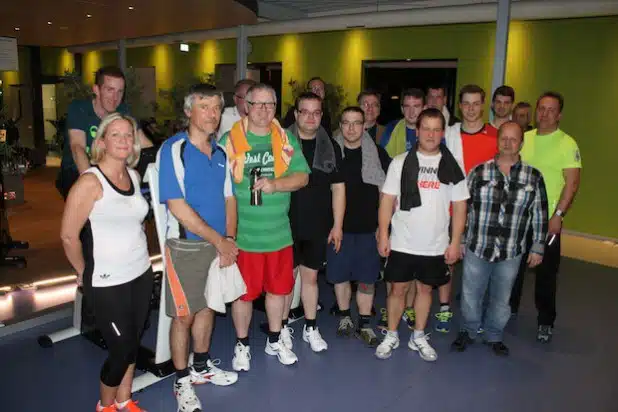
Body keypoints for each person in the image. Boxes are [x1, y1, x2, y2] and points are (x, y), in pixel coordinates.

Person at [60, 113, 153, 412]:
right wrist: (83, 272)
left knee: (133, 340)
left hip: (140, 273)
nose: (125, 140)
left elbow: (133, 222)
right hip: (106, 280)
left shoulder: (134, 176)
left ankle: (125, 400)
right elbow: (68, 237)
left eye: (129, 135)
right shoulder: (90, 182)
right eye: (116, 135)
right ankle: (105, 405)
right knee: (121, 348)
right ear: (101, 141)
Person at [158, 84, 239, 412]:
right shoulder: (173, 149)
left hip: (219, 246)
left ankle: (202, 367)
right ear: (189, 111)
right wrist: (218, 240)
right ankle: (181, 381)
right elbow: (177, 206)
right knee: (184, 316)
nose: (212, 114)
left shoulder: (220, 153)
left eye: (217, 107)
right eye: (204, 107)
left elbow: (229, 198)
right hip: (186, 248)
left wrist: (229, 239)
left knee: (208, 309)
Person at [220, 83, 310, 367]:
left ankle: (274, 340)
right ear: (245, 105)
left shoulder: (284, 139)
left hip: (278, 235)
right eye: (257, 104)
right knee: (242, 296)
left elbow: (303, 177)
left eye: (269, 104)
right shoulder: (229, 140)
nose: (263, 110)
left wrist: (275, 185)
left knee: (278, 292)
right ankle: (242, 346)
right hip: (243, 237)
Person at [376, 108, 468, 362]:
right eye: (425, 128)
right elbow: (387, 201)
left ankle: (418, 336)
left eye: (436, 129)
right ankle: (392, 334)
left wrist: (455, 241)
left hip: (435, 244)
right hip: (402, 241)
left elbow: (460, 206)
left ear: (442, 133)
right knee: (397, 290)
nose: (430, 134)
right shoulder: (400, 162)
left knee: (426, 291)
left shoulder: (451, 166)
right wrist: (384, 234)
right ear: (417, 131)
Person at [451, 121, 548, 357]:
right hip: (477, 245)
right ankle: (469, 330)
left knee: (501, 298)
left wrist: (537, 247)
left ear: (521, 144)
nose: (507, 142)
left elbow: (539, 213)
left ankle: (494, 335)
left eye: (513, 139)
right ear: (498, 140)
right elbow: (464, 208)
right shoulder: (478, 172)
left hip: (511, 250)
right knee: (470, 294)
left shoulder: (533, 177)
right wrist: (460, 240)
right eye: (504, 137)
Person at [509, 91, 582, 343]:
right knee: (512, 268)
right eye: (541, 108)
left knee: (546, 273)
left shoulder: (567, 144)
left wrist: (558, 214)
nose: (545, 113)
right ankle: (509, 310)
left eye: (551, 109)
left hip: (546, 220)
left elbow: (572, 184)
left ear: (559, 114)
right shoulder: (524, 138)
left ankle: (545, 321)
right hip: (519, 218)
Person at [282, 91, 345, 353]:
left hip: (316, 225)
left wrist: (337, 225)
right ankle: (281, 329)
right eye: (304, 112)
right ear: (296, 114)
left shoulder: (331, 146)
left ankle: (310, 326)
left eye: (316, 112)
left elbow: (338, 189)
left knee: (310, 279)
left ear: (321, 115)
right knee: (285, 282)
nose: (310, 117)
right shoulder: (280, 144)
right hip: (282, 225)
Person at [328, 106, 390, 347]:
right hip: (338, 228)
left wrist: (383, 227)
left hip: (368, 228)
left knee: (367, 279)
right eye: (346, 122)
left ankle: (364, 323)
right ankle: (345, 317)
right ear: (340, 125)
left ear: (365, 126)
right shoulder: (330, 153)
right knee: (340, 275)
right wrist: (331, 225)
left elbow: (387, 193)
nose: (351, 128)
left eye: (357, 123)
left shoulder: (378, 154)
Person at [56, 66, 153, 199]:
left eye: (120, 91)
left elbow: (145, 145)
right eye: (110, 90)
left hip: (110, 170)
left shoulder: (123, 111)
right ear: (96, 89)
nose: (115, 97)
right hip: (75, 170)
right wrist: (91, 181)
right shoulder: (79, 109)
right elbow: (77, 147)